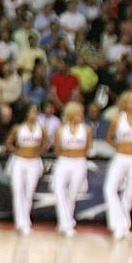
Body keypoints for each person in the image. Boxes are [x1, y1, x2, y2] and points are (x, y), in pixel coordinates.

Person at [103, 90, 132, 241]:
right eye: (129, 101)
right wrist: (119, 147)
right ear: (124, 103)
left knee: (129, 192)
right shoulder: (117, 118)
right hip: (121, 157)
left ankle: (124, 227)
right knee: (110, 188)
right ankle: (117, 223)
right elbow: (108, 138)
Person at [6, 102, 48, 235]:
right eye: (31, 112)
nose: (34, 115)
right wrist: (17, 151)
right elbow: (8, 143)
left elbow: (45, 144)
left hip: (34, 162)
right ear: (26, 113)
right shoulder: (18, 128)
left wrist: (37, 152)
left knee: (29, 192)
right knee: (18, 191)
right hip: (19, 162)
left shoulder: (41, 129)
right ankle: (20, 222)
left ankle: (26, 219)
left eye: (36, 112)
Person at [51, 102, 92, 237]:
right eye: (77, 113)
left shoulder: (86, 129)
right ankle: (66, 222)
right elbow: (57, 149)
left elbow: (87, 148)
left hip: (79, 162)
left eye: (81, 113)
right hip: (64, 161)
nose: (80, 116)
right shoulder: (61, 130)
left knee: (73, 193)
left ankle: (66, 222)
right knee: (58, 189)